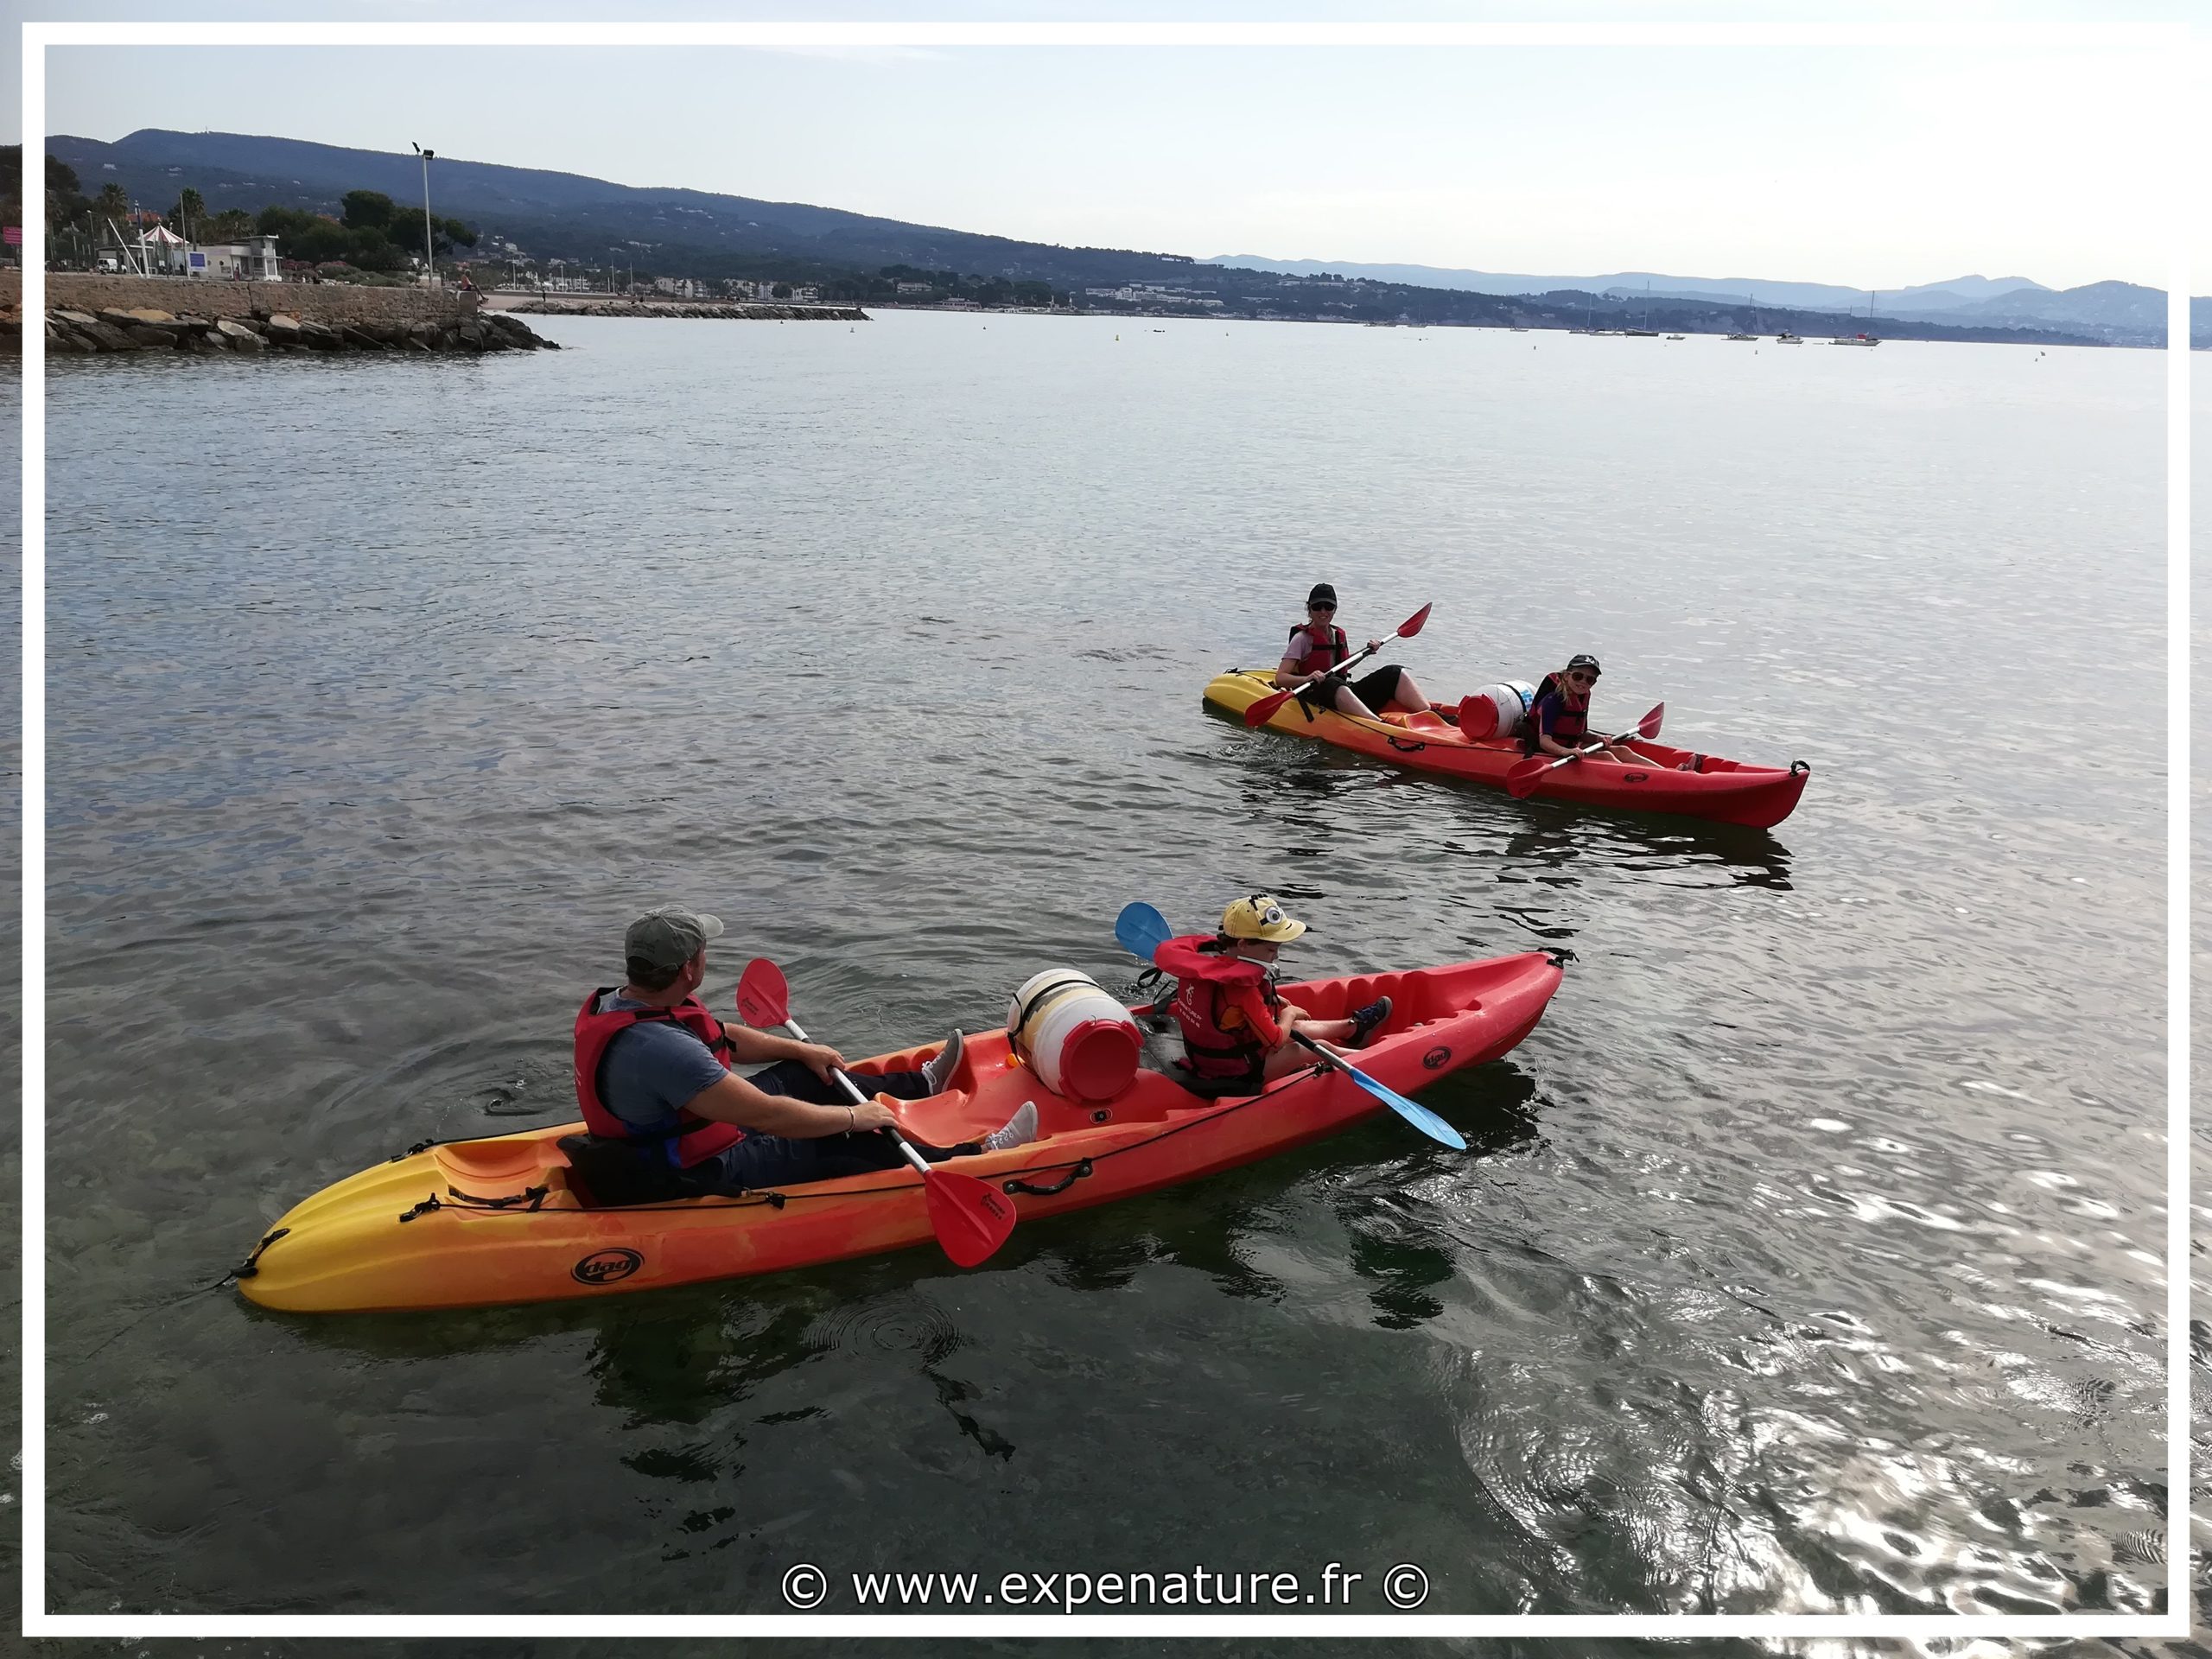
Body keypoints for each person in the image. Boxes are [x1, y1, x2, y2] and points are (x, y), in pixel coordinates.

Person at [572, 905, 1038, 1199]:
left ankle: (922, 1084)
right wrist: (859, 1119)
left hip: (695, 1124)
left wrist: (801, 1052)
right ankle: (975, 1155)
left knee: (806, 1076)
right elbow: (771, 1117)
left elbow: (724, 1036)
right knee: (844, 1141)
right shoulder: (662, 1050)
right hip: (697, 1168)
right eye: (704, 952)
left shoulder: (631, 1001)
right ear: (690, 968)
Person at [1154, 895, 1394, 1098]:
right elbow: (1276, 1041)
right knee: (1314, 1046)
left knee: (1298, 1026)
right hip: (1239, 1074)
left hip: (1208, 1060)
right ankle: (1377, 1060)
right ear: (1243, 945)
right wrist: (1287, 1014)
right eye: (1271, 949)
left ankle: (1353, 1029)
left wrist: (1275, 1004)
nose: (1276, 956)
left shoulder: (1200, 968)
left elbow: (1225, 1009)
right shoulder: (1242, 989)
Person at [1275, 582, 1433, 723]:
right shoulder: (1302, 639)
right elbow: (1280, 678)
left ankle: (1430, 715)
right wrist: (1308, 678)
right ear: (1309, 609)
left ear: (1335, 609)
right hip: (1314, 695)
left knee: (1393, 672)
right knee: (1332, 682)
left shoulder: (1337, 635)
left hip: (1339, 690)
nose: (1323, 611)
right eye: (1317, 607)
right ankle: (1379, 725)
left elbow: (1342, 665)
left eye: (1328, 607)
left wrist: (1366, 652)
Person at [1524, 653, 1649, 766]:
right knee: (1606, 756)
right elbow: (1544, 742)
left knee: (1623, 750)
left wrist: (1598, 738)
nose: (1583, 682)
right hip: (1549, 751)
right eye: (1578, 676)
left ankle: (1665, 775)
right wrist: (1566, 752)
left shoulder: (1582, 696)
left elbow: (1581, 734)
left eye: (1590, 679)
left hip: (1572, 747)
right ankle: (1637, 779)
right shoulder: (1553, 700)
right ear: (1567, 676)